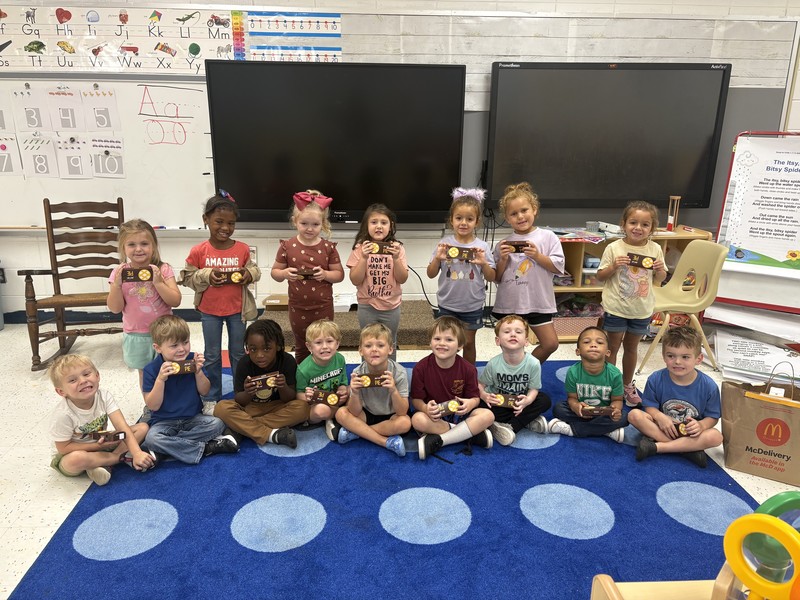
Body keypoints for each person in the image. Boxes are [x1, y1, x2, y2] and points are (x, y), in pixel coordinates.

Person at [181, 190, 261, 412]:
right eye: (218, 221)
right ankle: (213, 396)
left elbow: (254, 269)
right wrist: (206, 275)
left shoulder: (242, 248)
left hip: (238, 311)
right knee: (212, 355)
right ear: (206, 219)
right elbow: (187, 277)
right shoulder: (199, 250)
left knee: (238, 353)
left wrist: (249, 274)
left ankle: (241, 393)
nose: (225, 228)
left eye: (231, 223)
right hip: (210, 311)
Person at [596, 200, 668, 406]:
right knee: (613, 346)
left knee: (632, 347)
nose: (638, 228)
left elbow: (659, 279)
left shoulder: (655, 249)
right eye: (633, 223)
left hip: (641, 309)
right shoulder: (614, 247)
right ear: (624, 224)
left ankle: (627, 385)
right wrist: (614, 267)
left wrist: (661, 269)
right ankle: (609, 384)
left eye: (645, 225)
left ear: (652, 228)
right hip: (616, 307)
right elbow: (601, 276)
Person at [143, 315, 239, 464]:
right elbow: (153, 406)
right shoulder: (151, 369)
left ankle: (168, 448)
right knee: (152, 438)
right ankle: (206, 448)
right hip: (164, 422)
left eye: (186, 342)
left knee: (218, 424)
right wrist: (160, 379)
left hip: (193, 418)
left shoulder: (193, 359)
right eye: (174, 345)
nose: (182, 349)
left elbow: (205, 391)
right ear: (158, 348)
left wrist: (198, 371)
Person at [49, 354, 155, 486]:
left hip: (103, 441)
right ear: (61, 391)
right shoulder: (63, 414)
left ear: (97, 376)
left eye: (87, 374)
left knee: (142, 427)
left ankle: (101, 465)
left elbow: (121, 426)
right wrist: (96, 446)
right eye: (72, 380)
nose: (82, 381)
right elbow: (63, 448)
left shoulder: (104, 396)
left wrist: (137, 452)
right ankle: (118, 458)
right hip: (76, 452)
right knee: (76, 459)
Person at [628, 326, 723, 468]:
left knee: (716, 437)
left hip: (691, 434)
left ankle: (657, 447)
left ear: (698, 359)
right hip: (664, 428)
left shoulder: (709, 386)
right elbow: (649, 407)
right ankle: (688, 450)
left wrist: (701, 425)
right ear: (663, 356)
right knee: (634, 415)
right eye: (671, 356)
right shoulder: (655, 379)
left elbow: (713, 417)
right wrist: (660, 417)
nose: (677, 362)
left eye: (685, 357)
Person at [107, 219, 181, 396]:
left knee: (170, 370)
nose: (138, 249)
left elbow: (175, 300)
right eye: (131, 244)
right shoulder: (119, 272)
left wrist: (159, 283)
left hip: (165, 333)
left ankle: (173, 402)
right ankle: (150, 403)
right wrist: (116, 285)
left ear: (153, 246)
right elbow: (114, 308)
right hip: (136, 334)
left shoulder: (162, 269)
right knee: (145, 372)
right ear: (123, 248)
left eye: (144, 243)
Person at [492, 182, 565, 364]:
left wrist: (538, 256)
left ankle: (525, 369)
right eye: (514, 214)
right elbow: (497, 278)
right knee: (510, 348)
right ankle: (508, 376)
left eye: (524, 210)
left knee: (550, 343)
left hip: (538, 301)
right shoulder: (503, 244)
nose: (520, 216)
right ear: (507, 218)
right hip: (510, 303)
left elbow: (558, 267)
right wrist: (502, 260)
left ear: (534, 209)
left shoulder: (548, 237)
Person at [271, 190, 344, 364]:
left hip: (323, 307)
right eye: (304, 223)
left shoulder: (328, 248)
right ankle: (302, 380)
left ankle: (326, 375)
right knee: (302, 344)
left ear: (323, 224)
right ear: (295, 221)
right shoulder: (287, 246)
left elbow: (339, 275)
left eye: (315, 224)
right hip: (298, 307)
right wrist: (284, 273)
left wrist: (326, 274)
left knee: (325, 343)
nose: (309, 229)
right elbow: (275, 272)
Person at [428, 188, 496, 364]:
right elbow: (430, 274)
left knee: (469, 343)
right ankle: (444, 372)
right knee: (445, 343)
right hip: (447, 304)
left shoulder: (483, 247)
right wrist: (437, 259)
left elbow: (491, 276)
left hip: (471, 305)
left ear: (477, 221)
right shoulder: (444, 245)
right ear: (451, 220)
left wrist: (483, 263)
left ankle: (468, 375)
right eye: (459, 218)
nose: (463, 223)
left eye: (469, 219)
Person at [411, 316, 494, 460]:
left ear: (460, 345)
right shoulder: (420, 368)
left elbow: (474, 397)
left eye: (449, 340)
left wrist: (470, 404)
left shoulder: (468, 369)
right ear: (430, 342)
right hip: (435, 417)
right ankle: (470, 434)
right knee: (418, 419)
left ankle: (441, 440)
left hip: (461, 415)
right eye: (437, 339)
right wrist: (425, 409)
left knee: (488, 415)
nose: (442, 343)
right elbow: (416, 400)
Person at [214, 319, 306, 448]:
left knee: (303, 408)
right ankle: (270, 434)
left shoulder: (287, 361)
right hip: (251, 407)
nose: (260, 355)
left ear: (278, 346)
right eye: (253, 349)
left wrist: (283, 387)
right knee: (221, 407)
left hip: (277, 406)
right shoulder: (244, 363)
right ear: (247, 348)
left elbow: (290, 398)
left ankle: (240, 429)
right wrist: (247, 393)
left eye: (267, 348)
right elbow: (239, 400)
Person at [327, 323, 410, 457]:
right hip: (367, 414)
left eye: (380, 345)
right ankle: (384, 441)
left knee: (405, 423)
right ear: (360, 350)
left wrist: (393, 391)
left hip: (391, 415)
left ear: (390, 349)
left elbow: (402, 411)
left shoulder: (399, 372)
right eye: (368, 346)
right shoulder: (358, 372)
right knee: (341, 413)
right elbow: (354, 411)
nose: (374, 350)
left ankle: (357, 433)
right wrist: (354, 392)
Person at [346, 203, 408, 361]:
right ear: (366, 226)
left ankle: (390, 375)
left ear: (391, 226)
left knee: (389, 342)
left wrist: (395, 258)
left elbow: (402, 278)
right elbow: (355, 280)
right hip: (367, 306)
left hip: (391, 306)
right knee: (367, 342)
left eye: (384, 222)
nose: (379, 226)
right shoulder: (360, 248)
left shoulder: (397, 248)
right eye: (374, 222)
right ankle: (367, 375)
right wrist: (364, 258)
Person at [478, 315, 551, 446]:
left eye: (518, 332)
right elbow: (480, 385)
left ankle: (510, 426)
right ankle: (526, 421)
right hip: (499, 403)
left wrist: (527, 401)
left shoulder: (534, 363)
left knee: (544, 400)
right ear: (498, 340)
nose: (513, 334)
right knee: (479, 404)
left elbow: (534, 389)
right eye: (507, 332)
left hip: (520, 404)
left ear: (526, 341)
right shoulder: (493, 364)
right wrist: (485, 396)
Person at [548, 326, 627, 443]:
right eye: (586, 342)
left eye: (599, 342)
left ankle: (573, 430)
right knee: (559, 409)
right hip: (582, 412)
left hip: (604, 413)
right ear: (577, 351)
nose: (593, 345)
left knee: (625, 417)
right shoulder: (573, 372)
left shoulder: (615, 374)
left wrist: (615, 410)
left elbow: (618, 400)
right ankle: (606, 431)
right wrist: (575, 407)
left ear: (608, 352)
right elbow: (572, 398)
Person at [296, 319, 349, 427]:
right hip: (315, 405)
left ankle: (334, 418)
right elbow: (298, 394)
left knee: (354, 390)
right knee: (322, 410)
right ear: (309, 346)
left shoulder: (340, 359)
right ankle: (340, 417)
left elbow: (343, 382)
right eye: (318, 342)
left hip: (335, 399)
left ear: (337, 343)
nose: (324, 346)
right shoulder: (303, 370)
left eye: (329, 341)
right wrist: (307, 397)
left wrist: (342, 390)